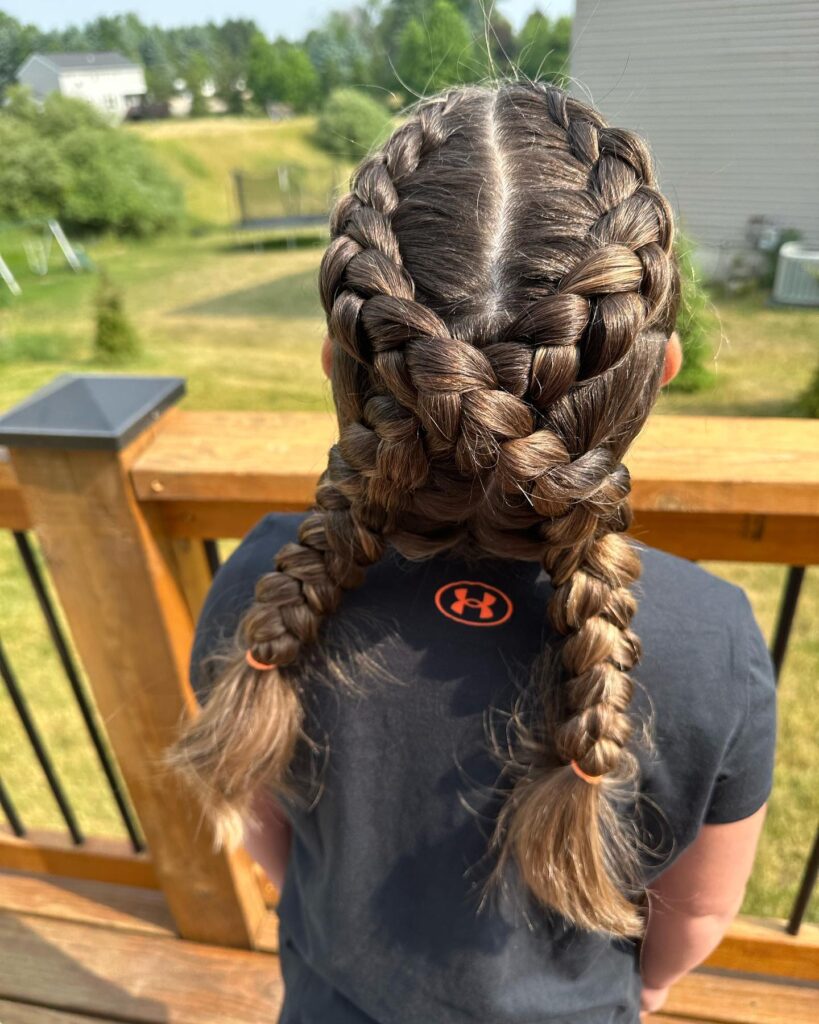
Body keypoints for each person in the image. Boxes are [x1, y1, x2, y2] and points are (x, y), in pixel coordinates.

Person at [165, 79, 778, 1023]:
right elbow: (697, 913)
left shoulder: (262, 590)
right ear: (657, 373)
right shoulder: (711, 645)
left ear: (340, 366)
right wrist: (645, 990)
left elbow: (267, 834)